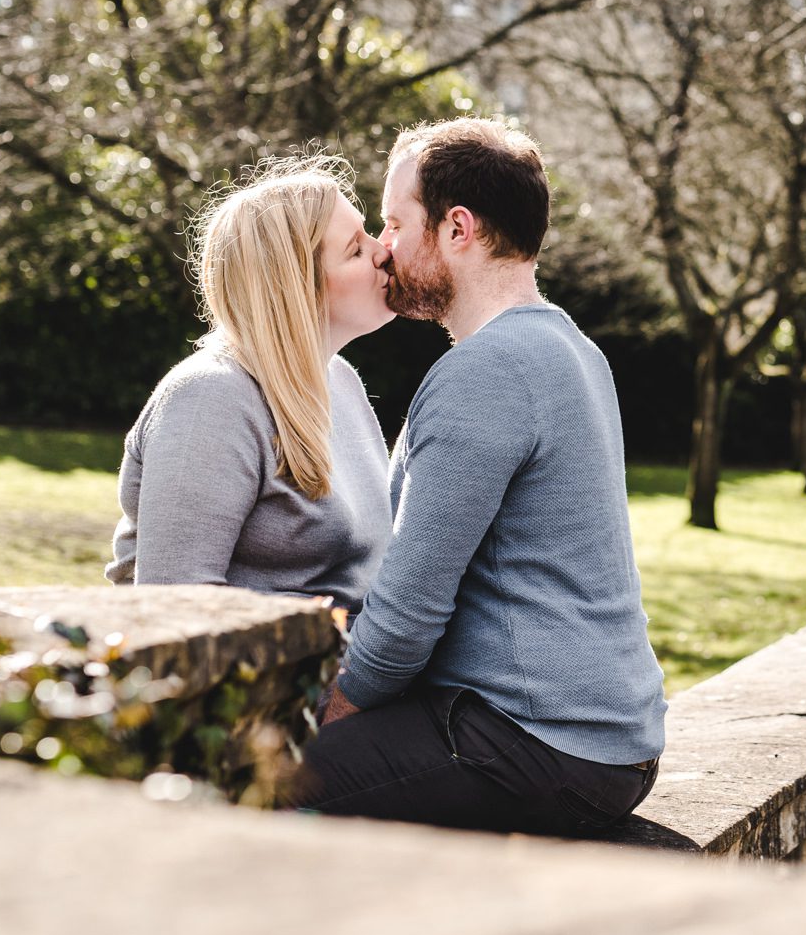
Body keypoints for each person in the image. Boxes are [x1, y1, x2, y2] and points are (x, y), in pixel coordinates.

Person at [295, 117, 666, 837]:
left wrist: (315, 712)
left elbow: (405, 620)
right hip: (612, 742)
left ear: (457, 228)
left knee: (255, 780)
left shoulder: (484, 371)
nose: (384, 246)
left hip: (539, 744)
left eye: (395, 221)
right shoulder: (571, 346)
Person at [107, 157, 396, 613]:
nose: (384, 251)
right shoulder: (211, 400)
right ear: (296, 285)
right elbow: (176, 612)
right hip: (263, 680)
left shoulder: (340, 380)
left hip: (353, 678)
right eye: (355, 250)